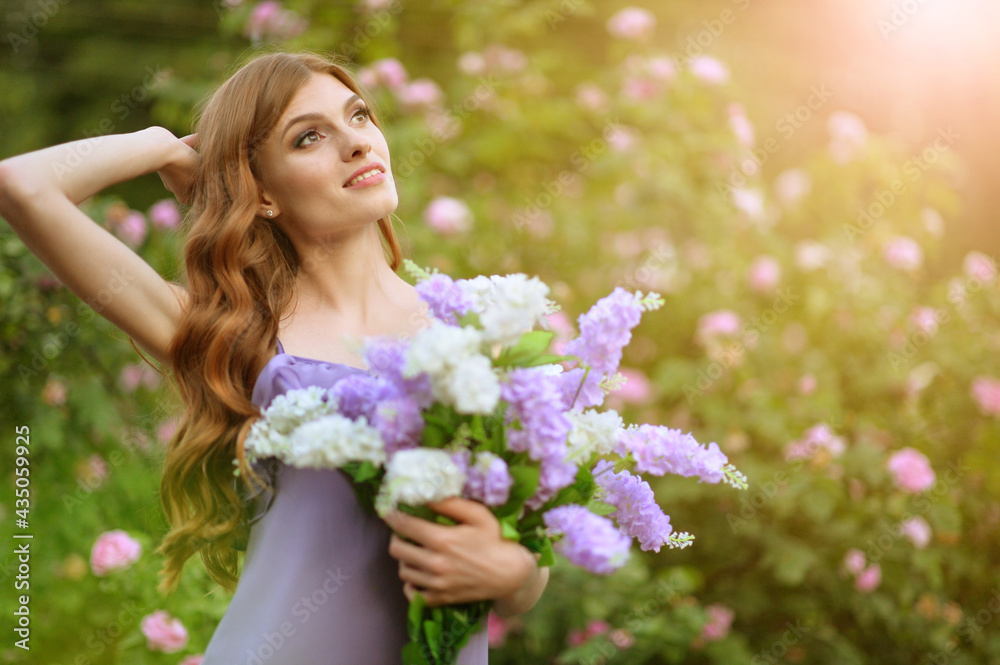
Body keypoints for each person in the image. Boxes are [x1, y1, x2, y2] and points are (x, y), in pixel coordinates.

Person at [0, 48, 548, 664]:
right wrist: (161, 147)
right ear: (261, 192)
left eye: (358, 116)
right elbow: (22, 186)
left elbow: (527, 576)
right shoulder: (235, 339)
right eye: (309, 137)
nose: (356, 143)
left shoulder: (479, 331)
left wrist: (511, 572)